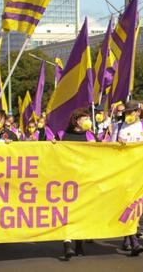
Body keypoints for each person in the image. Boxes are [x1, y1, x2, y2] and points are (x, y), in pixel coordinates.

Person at [109, 100, 143, 256]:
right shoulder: (118, 127)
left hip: (141, 172)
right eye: (126, 112)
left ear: (138, 112)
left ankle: (128, 237)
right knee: (128, 205)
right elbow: (109, 148)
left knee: (138, 206)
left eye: (131, 112)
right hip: (124, 172)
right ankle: (134, 240)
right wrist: (116, 143)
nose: (128, 114)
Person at [58, 108, 96, 259]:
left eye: (88, 118)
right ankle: (67, 244)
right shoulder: (62, 135)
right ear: (76, 120)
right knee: (67, 213)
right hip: (66, 180)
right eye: (85, 118)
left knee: (81, 212)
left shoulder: (90, 136)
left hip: (85, 180)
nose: (88, 121)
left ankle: (79, 244)